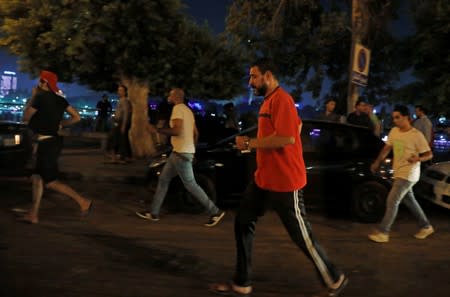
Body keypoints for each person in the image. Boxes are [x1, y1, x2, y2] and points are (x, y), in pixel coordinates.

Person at [209, 59, 347, 297]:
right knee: (242, 221)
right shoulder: (270, 102)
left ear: (268, 75)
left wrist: (250, 143)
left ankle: (334, 278)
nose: (250, 81)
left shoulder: (282, 99)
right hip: (264, 179)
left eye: (253, 76)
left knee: (302, 236)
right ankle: (242, 282)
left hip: (285, 182)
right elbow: (295, 127)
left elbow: (287, 138)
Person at [135, 88, 225, 227]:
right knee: (164, 179)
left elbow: (177, 130)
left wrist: (157, 130)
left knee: (190, 185)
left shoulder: (177, 109)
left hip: (181, 153)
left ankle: (215, 212)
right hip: (181, 152)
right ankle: (153, 213)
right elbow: (196, 133)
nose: (168, 96)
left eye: (170, 94)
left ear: (176, 96)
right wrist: (192, 151)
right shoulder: (188, 111)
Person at [21, 70, 93, 224]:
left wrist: (33, 96)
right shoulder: (60, 99)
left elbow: (25, 117)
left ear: (44, 82)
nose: (38, 84)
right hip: (53, 142)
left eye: (40, 81)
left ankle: (83, 201)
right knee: (37, 178)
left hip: (46, 144)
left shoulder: (39, 97)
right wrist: (61, 124)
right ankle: (33, 214)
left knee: (50, 181)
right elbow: (77, 117)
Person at [368, 105, 434, 243]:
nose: (395, 120)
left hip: (409, 173)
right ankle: (426, 226)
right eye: (393, 118)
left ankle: (383, 232)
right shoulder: (394, 131)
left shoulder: (416, 135)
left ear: (406, 117)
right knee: (410, 201)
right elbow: (387, 148)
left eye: (397, 117)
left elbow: (429, 154)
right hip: (398, 172)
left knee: (392, 200)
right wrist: (377, 162)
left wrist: (418, 158)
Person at [109, 84, 132, 163]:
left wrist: (123, 125)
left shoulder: (124, 100)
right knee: (121, 140)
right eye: (118, 90)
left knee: (118, 140)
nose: (119, 92)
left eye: (121, 90)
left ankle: (120, 157)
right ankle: (122, 157)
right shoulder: (121, 100)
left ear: (125, 92)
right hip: (118, 122)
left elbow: (126, 113)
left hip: (121, 122)